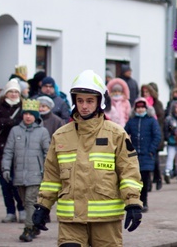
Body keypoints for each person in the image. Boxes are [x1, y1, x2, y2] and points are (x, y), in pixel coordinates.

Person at [33, 70, 143, 245]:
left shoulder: (116, 134)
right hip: (71, 219)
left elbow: (129, 172)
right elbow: (51, 177)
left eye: (90, 100)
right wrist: (43, 205)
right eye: (80, 100)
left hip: (106, 221)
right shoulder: (61, 136)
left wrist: (133, 203)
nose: (84, 106)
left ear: (100, 101)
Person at [1, 99, 50, 242]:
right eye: (26, 113)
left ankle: (28, 229)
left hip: (36, 174)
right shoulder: (15, 131)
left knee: (30, 201)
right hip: (19, 174)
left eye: (31, 114)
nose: (28, 116)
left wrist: (47, 171)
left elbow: (48, 153)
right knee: (24, 201)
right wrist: (5, 167)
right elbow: (9, 151)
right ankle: (35, 225)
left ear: (36, 116)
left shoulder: (42, 132)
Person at [0, 79, 26, 223]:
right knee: (4, 184)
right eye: (11, 91)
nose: (13, 94)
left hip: (19, 150)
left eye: (16, 91)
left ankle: (22, 209)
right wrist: (11, 122)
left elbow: (26, 122)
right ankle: (10, 211)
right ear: (6, 93)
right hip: (2, 148)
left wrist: (6, 122)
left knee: (17, 183)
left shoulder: (24, 107)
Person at [123, 97, 161, 212]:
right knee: (134, 180)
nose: (140, 110)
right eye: (138, 108)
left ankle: (144, 202)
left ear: (146, 108)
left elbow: (157, 136)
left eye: (142, 107)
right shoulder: (131, 121)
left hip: (146, 155)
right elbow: (123, 134)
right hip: (134, 156)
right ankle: (135, 201)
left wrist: (151, 150)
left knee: (144, 180)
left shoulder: (151, 120)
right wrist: (128, 148)